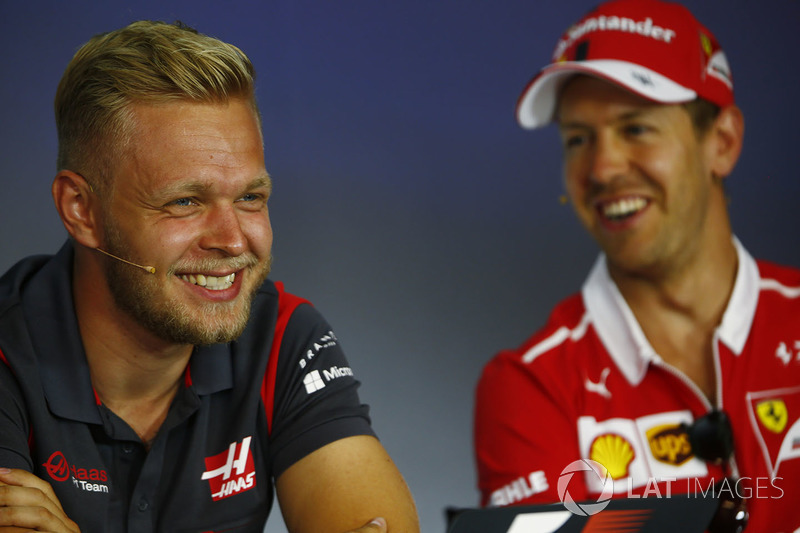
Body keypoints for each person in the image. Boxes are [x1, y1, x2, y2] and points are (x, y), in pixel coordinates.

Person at [0, 21, 419, 533]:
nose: (234, 241)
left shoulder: (283, 336)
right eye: (185, 201)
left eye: (250, 198)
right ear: (81, 209)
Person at [474, 0, 799, 531]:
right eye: (578, 139)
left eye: (636, 128)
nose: (602, 169)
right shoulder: (531, 386)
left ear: (722, 143)